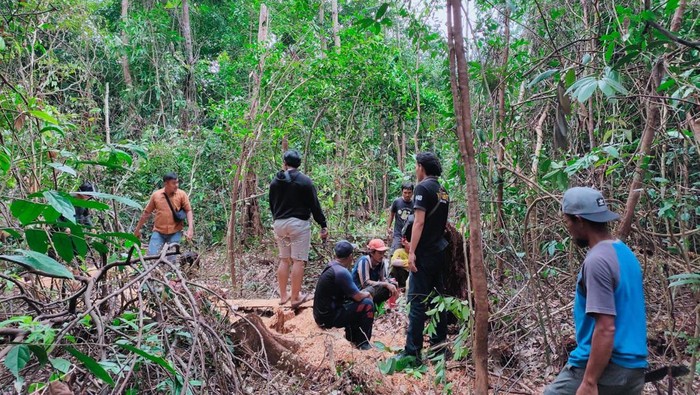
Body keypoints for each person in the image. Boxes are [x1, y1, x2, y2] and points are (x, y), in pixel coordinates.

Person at [544, 187, 647, 394]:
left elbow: (606, 327)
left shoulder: (597, 261)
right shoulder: (624, 252)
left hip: (610, 368)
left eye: (567, 222)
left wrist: (589, 382)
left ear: (579, 220)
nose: (569, 229)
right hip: (634, 370)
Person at [391, 152, 450, 366]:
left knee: (417, 301)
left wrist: (412, 251)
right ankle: (438, 349)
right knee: (437, 300)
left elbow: (419, 222)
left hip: (424, 254)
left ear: (421, 167)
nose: (416, 170)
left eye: (416, 167)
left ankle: (412, 353)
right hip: (438, 252)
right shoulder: (443, 190)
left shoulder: (423, 188)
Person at [269, 150, 329, 308]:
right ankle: (295, 297)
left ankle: (283, 296)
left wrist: (277, 219)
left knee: (284, 259)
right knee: (298, 260)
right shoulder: (305, 181)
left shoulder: (275, 181)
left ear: (285, 163)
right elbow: (315, 206)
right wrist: (323, 224)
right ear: (299, 164)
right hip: (298, 225)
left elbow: (271, 204)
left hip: (280, 224)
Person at [313, 240, 374, 350]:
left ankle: (353, 337)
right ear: (350, 256)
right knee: (367, 304)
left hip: (322, 315)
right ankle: (362, 343)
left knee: (354, 304)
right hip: (328, 319)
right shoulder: (341, 272)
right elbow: (358, 296)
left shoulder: (332, 266)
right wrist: (368, 294)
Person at [133, 172, 194, 256]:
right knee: (151, 256)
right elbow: (146, 213)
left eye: (177, 182)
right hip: (158, 231)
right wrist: (137, 230)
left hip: (175, 231)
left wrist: (190, 228)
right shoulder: (156, 195)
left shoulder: (181, 194)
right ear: (166, 183)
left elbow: (188, 210)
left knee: (171, 259)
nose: (176, 185)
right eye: (173, 183)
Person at [351, 239, 399, 306]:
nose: (382, 256)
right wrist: (386, 284)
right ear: (372, 252)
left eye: (383, 253)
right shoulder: (364, 261)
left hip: (371, 290)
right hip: (359, 292)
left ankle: (376, 306)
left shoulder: (380, 263)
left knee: (391, 286)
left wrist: (392, 284)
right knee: (381, 287)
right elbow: (365, 283)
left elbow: (383, 280)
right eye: (379, 253)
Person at [387, 182, 414, 252]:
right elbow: (391, 214)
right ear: (402, 192)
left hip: (410, 234)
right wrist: (388, 227)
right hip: (398, 233)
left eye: (409, 192)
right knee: (395, 252)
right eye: (405, 192)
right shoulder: (397, 202)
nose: (407, 195)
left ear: (412, 193)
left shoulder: (415, 204)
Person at [390, 216, 413, 289]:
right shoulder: (399, 251)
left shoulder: (416, 253)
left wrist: (402, 262)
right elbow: (394, 262)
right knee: (396, 268)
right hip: (401, 277)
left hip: (410, 276)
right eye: (409, 241)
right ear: (403, 242)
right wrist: (409, 263)